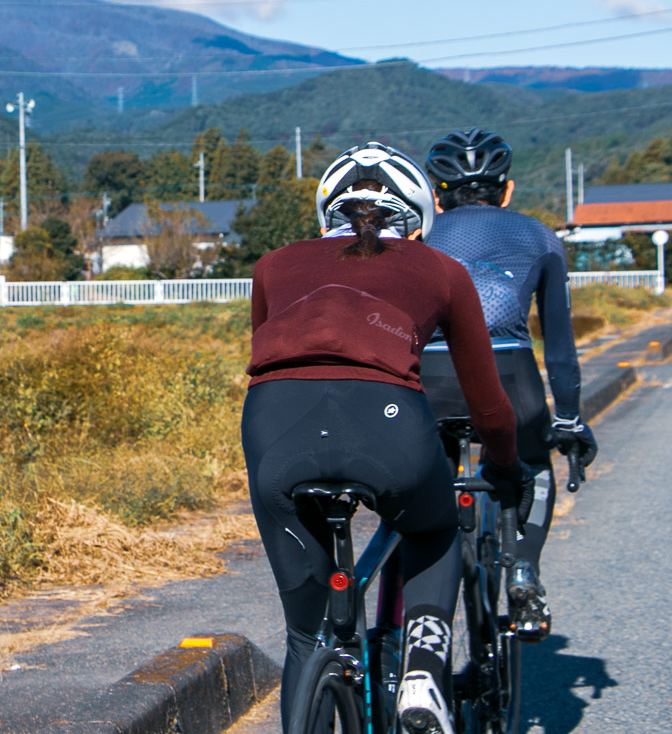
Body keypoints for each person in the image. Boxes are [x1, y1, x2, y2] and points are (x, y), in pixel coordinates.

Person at [242, 141, 533, 734]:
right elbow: (488, 406)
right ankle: (425, 671)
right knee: (434, 530)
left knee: (307, 632)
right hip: (390, 426)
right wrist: (506, 465)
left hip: (275, 425)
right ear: (421, 215)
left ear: (327, 211)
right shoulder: (442, 270)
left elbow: (273, 359)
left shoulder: (272, 264)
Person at [422, 128, 598, 642]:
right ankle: (524, 570)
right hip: (509, 376)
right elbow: (560, 347)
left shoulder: (418, 237)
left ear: (436, 193)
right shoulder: (539, 236)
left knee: (432, 474)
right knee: (535, 464)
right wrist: (568, 417)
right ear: (508, 189)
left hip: (430, 377)